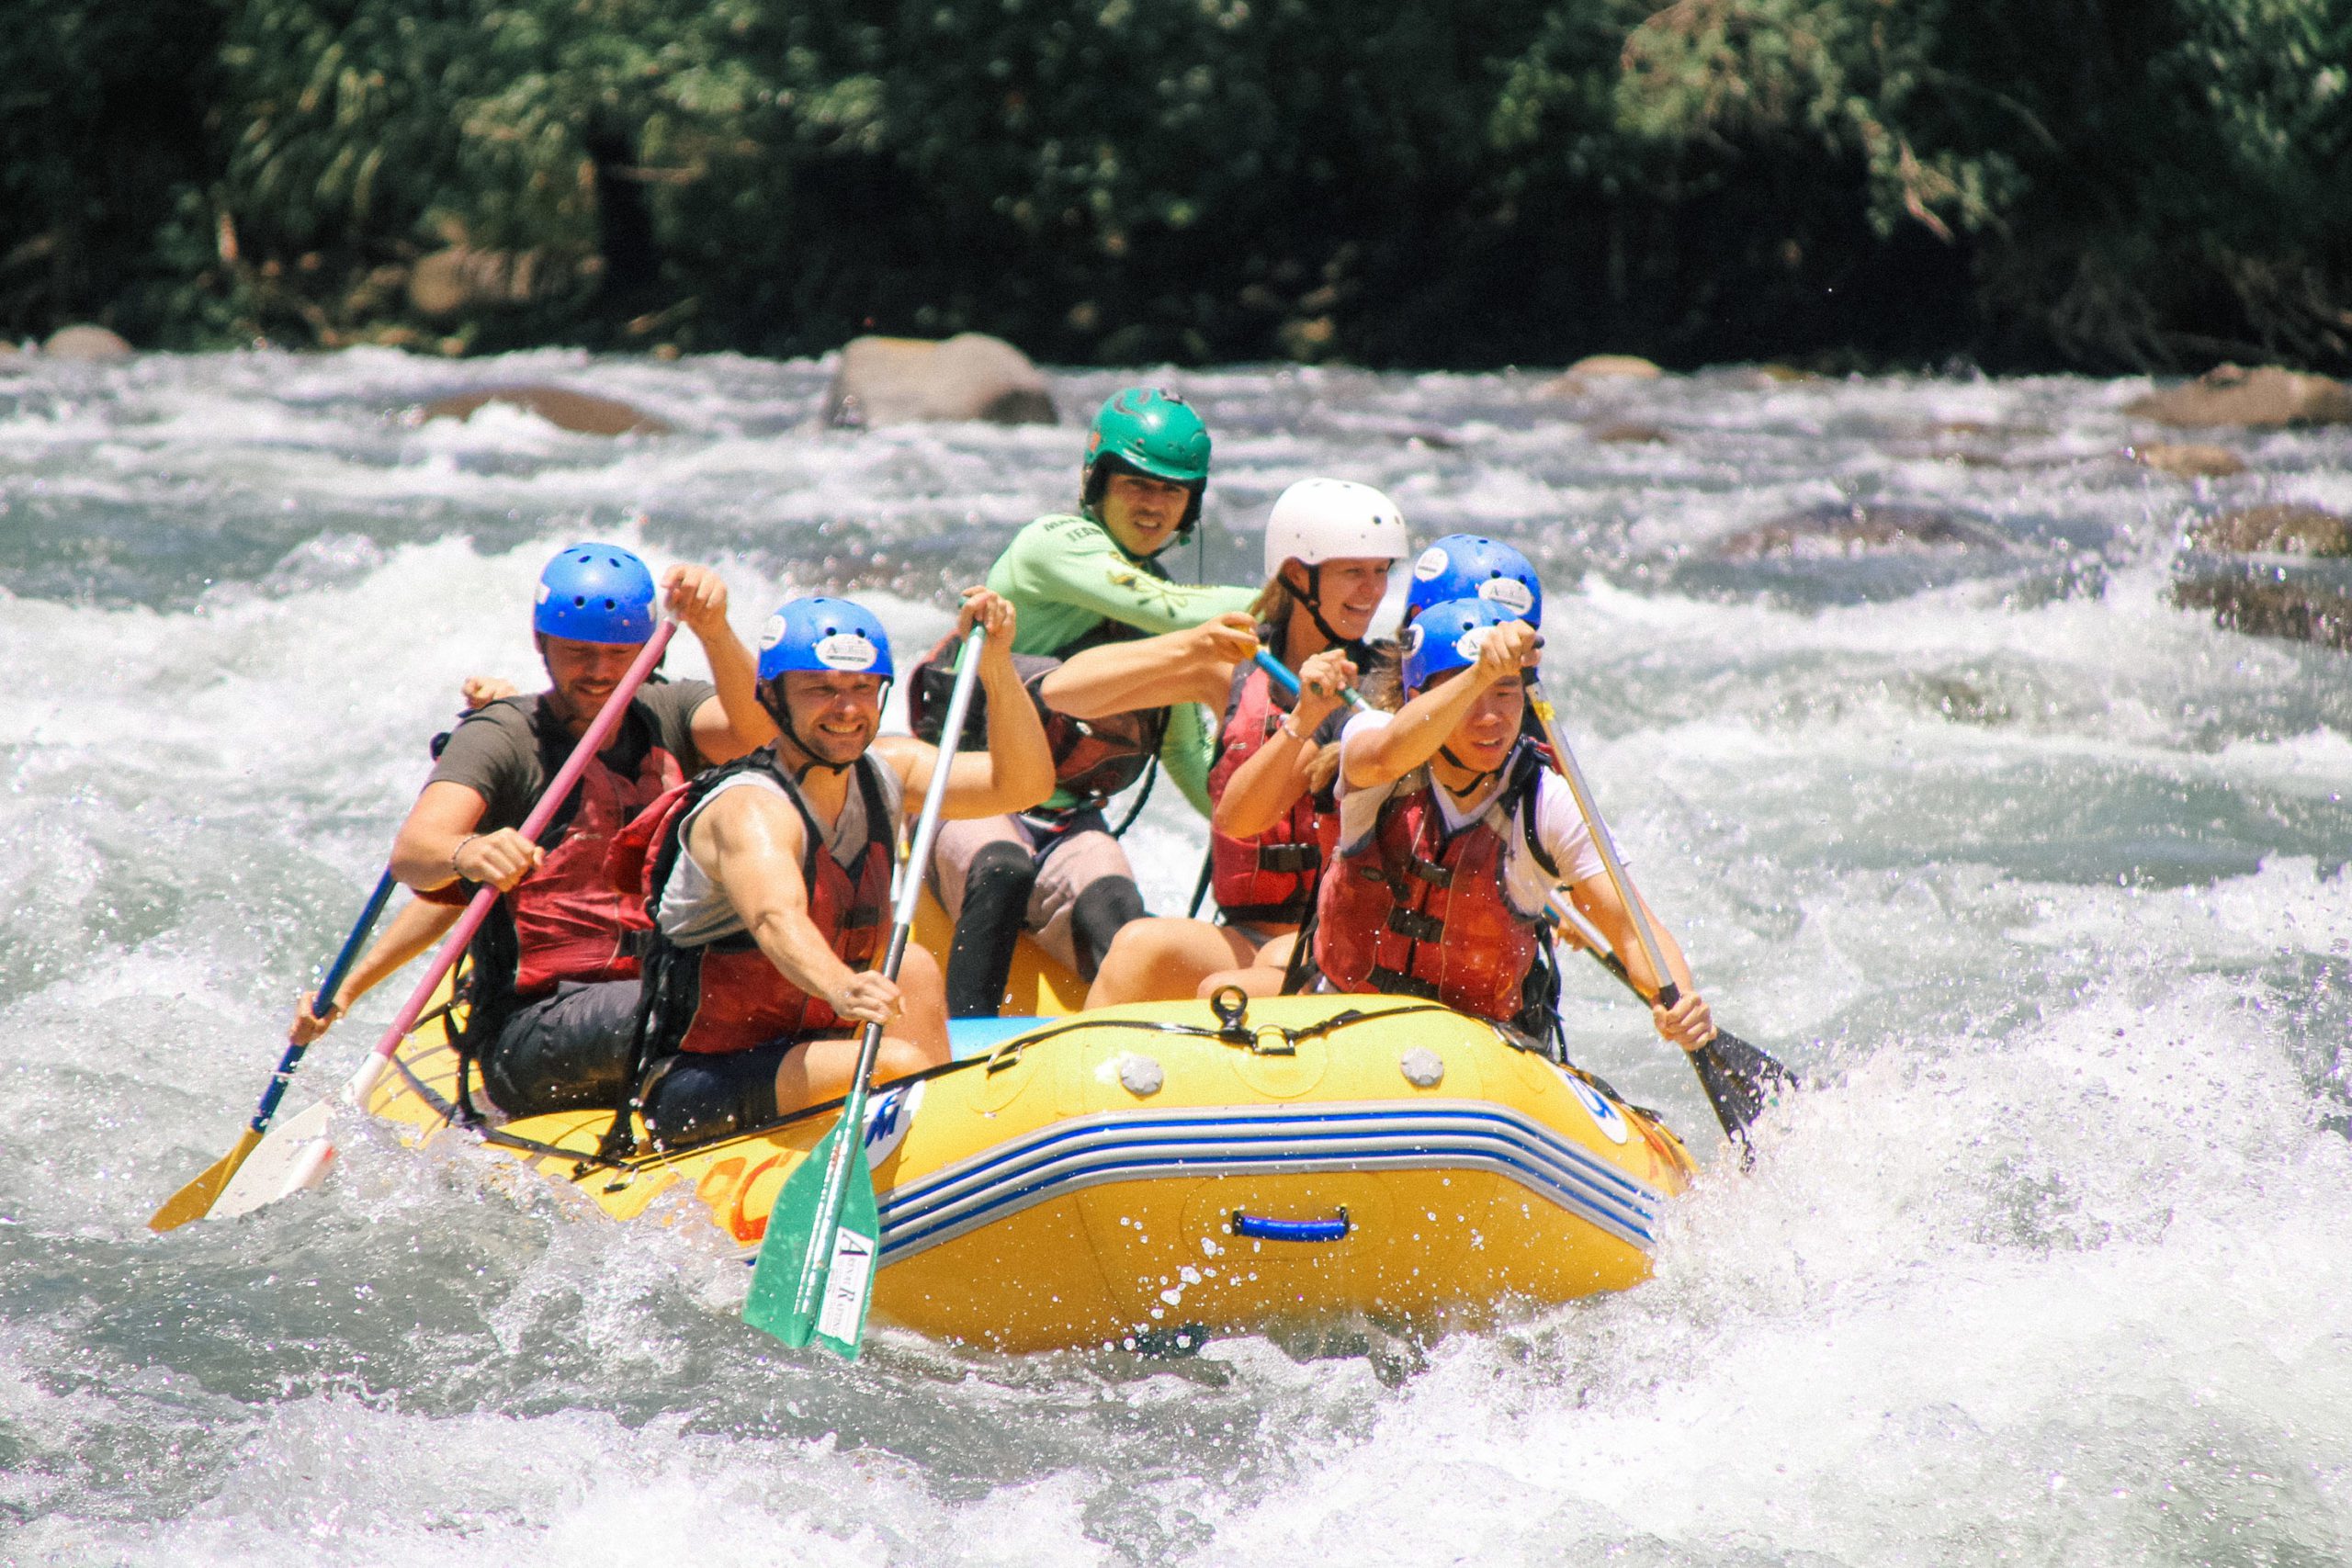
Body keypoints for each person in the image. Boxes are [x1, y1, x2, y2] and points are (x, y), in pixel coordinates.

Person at [613, 591, 1055, 1147]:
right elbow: (776, 916)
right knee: (892, 1064)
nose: (846, 709)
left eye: (862, 689)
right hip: (700, 1081)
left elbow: (1024, 785)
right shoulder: (749, 808)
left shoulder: (886, 772)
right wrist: (840, 986)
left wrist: (995, 665)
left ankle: (952, 1152)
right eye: (821, 690)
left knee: (911, 967)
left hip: (815, 1051)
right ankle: (928, 1144)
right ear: (773, 698)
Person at [384, 543, 770, 1120]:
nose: (599, 672)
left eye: (618, 653)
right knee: (691, 1004)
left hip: (658, 988)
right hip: (534, 1029)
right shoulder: (506, 736)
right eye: (577, 652)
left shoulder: (669, 710)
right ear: (542, 644)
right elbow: (414, 852)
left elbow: (760, 735)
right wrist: (471, 849)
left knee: (766, 990)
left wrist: (715, 632)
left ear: (644, 649)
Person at [929, 387, 1261, 1012]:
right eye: (1137, 483)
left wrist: (1268, 819)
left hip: (1067, 820)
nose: (1154, 503)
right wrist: (1293, 595)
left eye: (1172, 490)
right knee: (1003, 865)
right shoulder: (1052, 545)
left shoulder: (1172, 615)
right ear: (1098, 481)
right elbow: (1159, 607)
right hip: (973, 797)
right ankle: (958, 1052)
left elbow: (1191, 757)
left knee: (1121, 914)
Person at [1310, 596, 1713, 1052]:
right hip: (1345, 1022)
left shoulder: (1547, 800)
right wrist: (1482, 670)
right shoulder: (1373, 740)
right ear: (1419, 699)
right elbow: (1385, 756)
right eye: (1469, 696)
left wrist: (1681, 1001)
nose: (1491, 718)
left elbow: (1633, 932)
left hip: (1474, 1053)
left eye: (1505, 692)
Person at [1081, 479, 1406, 1005]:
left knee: (1234, 988)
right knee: (1139, 944)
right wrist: (1187, 646)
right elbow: (1070, 692)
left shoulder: (1389, 686)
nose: (1372, 592)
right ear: (1299, 576)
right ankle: (1080, 1081)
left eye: (1380, 573)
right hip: (1242, 934)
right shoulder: (1233, 668)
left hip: (1332, 939)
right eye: (1353, 573)